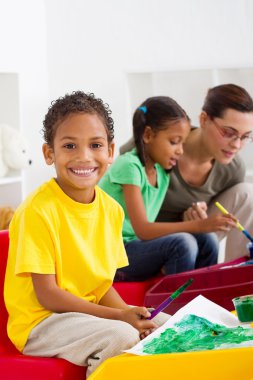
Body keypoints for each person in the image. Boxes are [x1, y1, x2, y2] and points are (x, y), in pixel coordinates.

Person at [4, 91, 169, 378]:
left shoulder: (111, 210)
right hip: (42, 323)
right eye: (69, 145)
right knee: (120, 336)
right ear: (48, 153)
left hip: (84, 316)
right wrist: (120, 317)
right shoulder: (36, 211)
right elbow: (48, 296)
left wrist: (135, 316)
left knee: (165, 323)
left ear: (110, 151)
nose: (84, 157)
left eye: (95, 145)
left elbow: (101, 285)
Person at [99, 96, 236, 282]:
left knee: (208, 240)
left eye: (183, 143)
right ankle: (174, 307)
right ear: (147, 135)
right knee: (183, 243)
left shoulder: (162, 173)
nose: (180, 150)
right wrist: (200, 225)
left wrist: (199, 215)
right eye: (174, 142)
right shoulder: (129, 166)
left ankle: (204, 298)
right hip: (110, 254)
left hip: (135, 247)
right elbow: (143, 230)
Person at [120, 84, 253, 262]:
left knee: (247, 193)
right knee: (186, 241)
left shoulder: (232, 168)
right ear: (204, 119)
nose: (237, 145)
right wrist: (194, 224)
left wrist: (198, 217)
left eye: (245, 137)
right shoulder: (156, 144)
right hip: (143, 234)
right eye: (228, 133)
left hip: (193, 230)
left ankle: (238, 277)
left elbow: (209, 220)